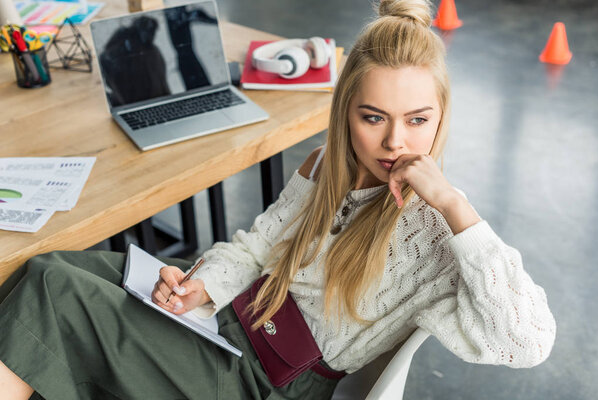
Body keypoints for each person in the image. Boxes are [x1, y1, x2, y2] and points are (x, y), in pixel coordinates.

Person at [0, 0, 556, 399]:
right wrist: (202, 288)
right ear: (346, 114)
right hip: (225, 324)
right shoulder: (322, 169)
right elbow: (254, 249)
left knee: (53, 293)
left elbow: (528, 342)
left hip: (256, 382)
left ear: (440, 118)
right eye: (373, 117)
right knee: (46, 268)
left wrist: (457, 208)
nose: (395, 142)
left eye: (417, 120)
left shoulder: (436, 235)